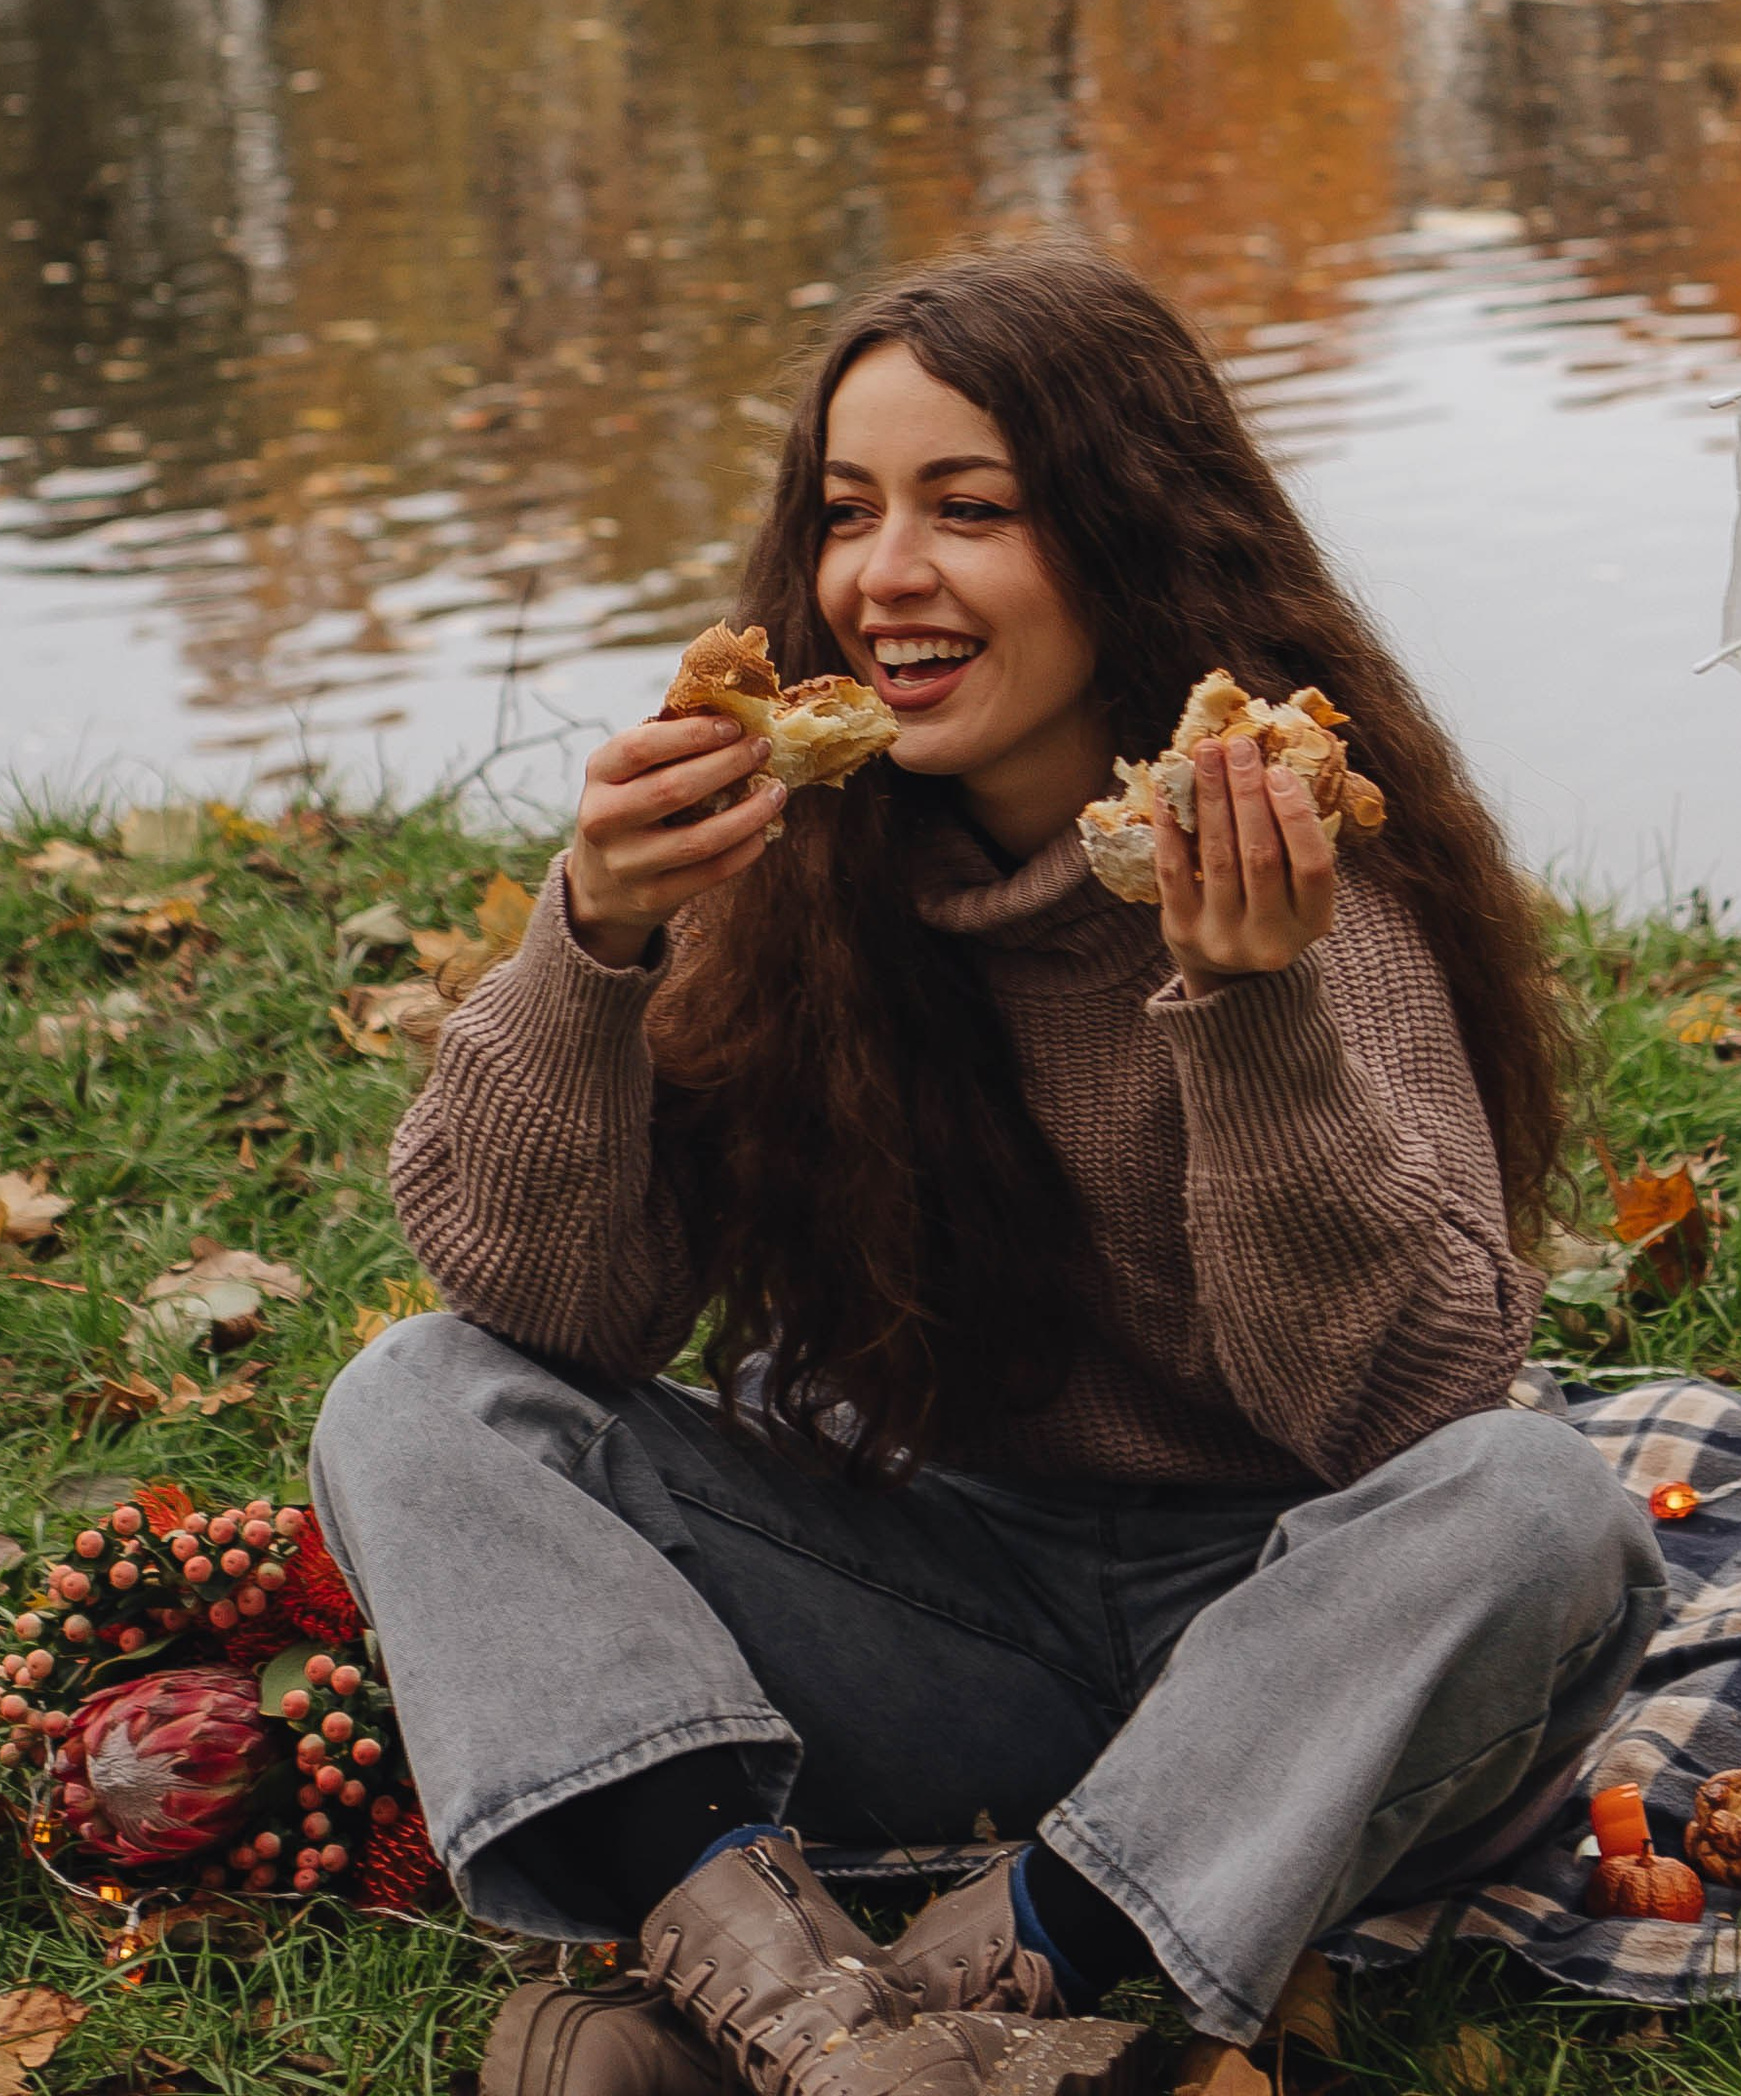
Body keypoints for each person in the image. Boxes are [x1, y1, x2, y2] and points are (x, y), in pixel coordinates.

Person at [311, 249, 1664, 2096]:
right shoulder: (784, 864)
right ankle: (798, 2003)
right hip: (930, 1617)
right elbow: (563, 1311)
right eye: (848, 512)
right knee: (416, 1399)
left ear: (1124, 543)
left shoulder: (1296, 873)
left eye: (973, 510)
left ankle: (983, 1985)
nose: (885, 576)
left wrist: (1255, 1017)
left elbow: (1406, 1414)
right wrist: (597, 942)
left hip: (1286, 1679)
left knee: (1538, 1505)